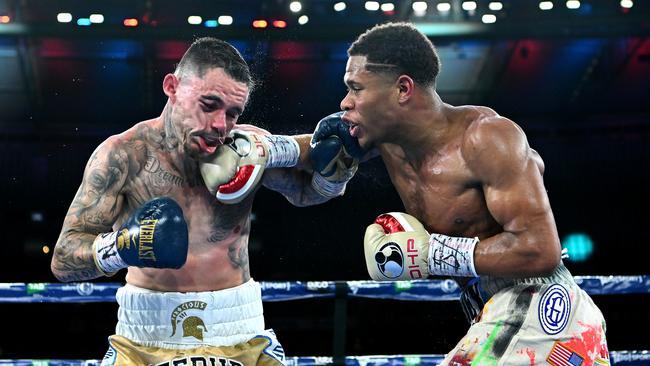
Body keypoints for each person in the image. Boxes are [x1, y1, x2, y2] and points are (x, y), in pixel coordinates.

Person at [315, 22, 610, 365]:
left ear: (402, 89)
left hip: (543, 310)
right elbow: (312, 149)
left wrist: (431, 255)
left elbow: (540, 250)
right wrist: (261, 148)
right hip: (491, 312)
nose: (345, 102)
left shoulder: (487, 139)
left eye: (356, 88)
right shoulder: (384, 139)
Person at [50, 37, 357, 365]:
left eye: (233, 113)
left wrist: (335, 172)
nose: (220, 126)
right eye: (208, 105)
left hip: (240, 331)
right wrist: (120, 248)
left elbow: (306, 191)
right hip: (145, 339)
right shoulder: (123, 156)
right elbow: (64, 260)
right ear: (172, 87)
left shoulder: (245, 148)